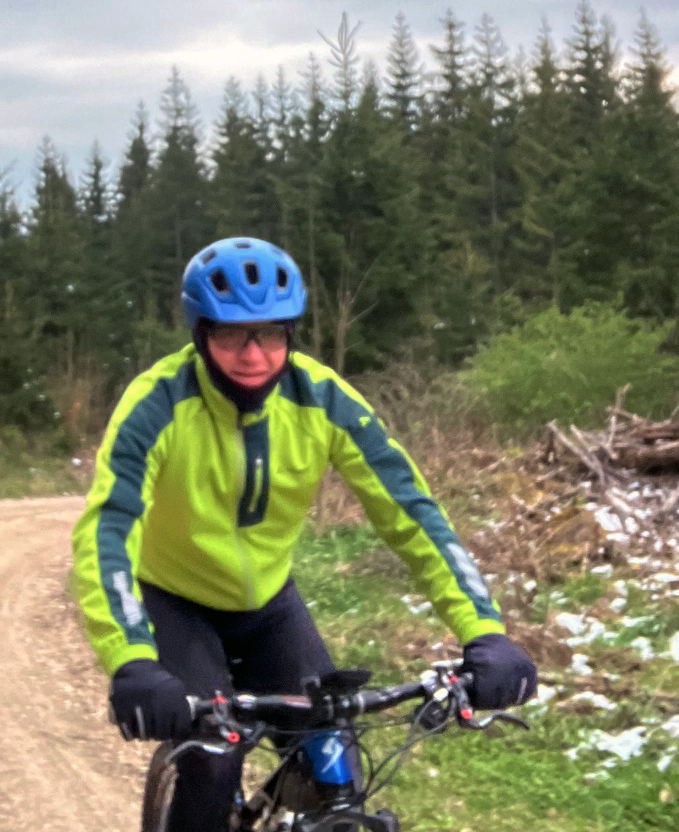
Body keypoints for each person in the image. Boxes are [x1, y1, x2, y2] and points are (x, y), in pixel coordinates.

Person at [71, 237, 537, 832]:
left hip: (269, 606)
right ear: (200, 334)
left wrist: (485, 630)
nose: (253, 355)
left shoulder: (323, 399)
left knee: (336, 765)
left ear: (290, 333)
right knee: (213, 760)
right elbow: (109, 528)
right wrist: (130, 658)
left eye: (270, 334)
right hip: (175, 601)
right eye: (231, 335)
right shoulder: (156, 403)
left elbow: (412, 514)